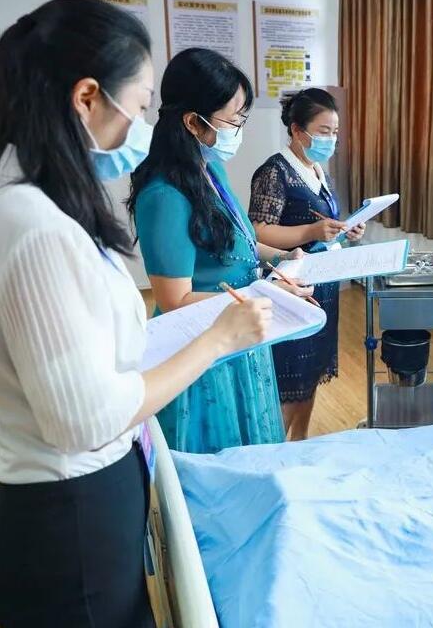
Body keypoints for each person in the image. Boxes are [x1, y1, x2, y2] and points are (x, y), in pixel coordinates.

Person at [0, 0, 273, 627]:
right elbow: (87, 418)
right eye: (144, 103)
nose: (147, 122)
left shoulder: (37, 202)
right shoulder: (32, 225)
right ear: (88, 97)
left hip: (81, 502)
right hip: (68, 519)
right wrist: (216, 340)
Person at [128, 48, 312, 453]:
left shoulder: (210, 168)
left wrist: (281, 258)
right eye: (234, 120)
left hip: (238, 331)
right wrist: (264, 294)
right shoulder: (164, 194)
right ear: (194, 121)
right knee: (218, 461)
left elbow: (237, 242)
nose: (239, 130)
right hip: (201, 347)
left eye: (242, 119)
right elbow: (174, 300)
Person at [248, 88, 365, 440]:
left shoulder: (317, 171)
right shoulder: (274, 172)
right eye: (323, 131)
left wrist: (345, 229)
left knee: (311, 371)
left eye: (335, 132)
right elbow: (258, 231)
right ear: (297, 131)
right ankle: (276, 451)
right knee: (290, 376)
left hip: (323, 285)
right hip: (291, 287)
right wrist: (311, 231)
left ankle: (300, 442)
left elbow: (323, 226)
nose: (331, 139)